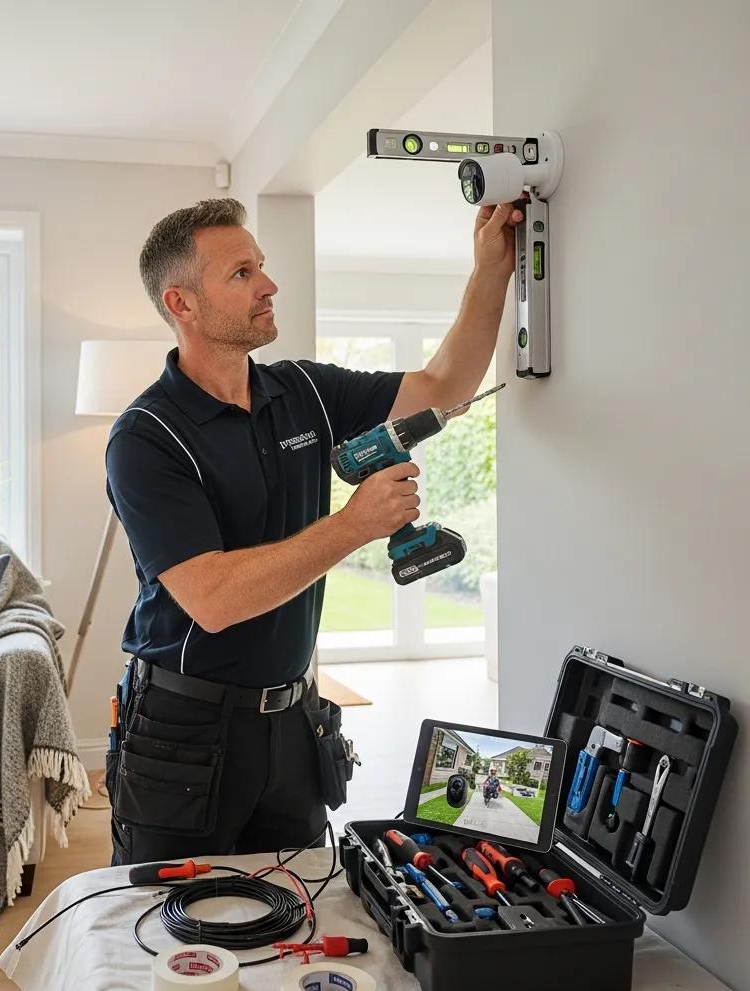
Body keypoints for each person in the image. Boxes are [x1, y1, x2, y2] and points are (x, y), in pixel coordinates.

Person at [104, 196, 522, 865]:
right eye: (241, 274)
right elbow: (213, 601)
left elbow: (445, 385)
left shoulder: (301, 392)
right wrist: (354, 526)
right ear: (181, 304)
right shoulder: (146, 437)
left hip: (295, 724)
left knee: (298, 925)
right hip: (183, 735)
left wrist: (492, 270)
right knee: (170, 938)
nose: (268, 285)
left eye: (262, 267)